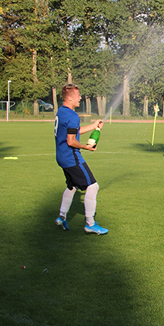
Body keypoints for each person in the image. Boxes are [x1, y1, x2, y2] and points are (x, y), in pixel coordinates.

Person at [54, 83, 108, 235]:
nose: (80, 98)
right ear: (70, 98)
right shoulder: (72, 116)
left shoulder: (62, 111)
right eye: (78, 95)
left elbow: (73, 132)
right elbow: (71, 141)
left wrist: (93, 126)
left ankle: (62, 217)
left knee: (72, 186)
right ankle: (90, 224)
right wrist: (86, 147)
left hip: (61, 157)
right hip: (71, 157)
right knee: (93, 186)